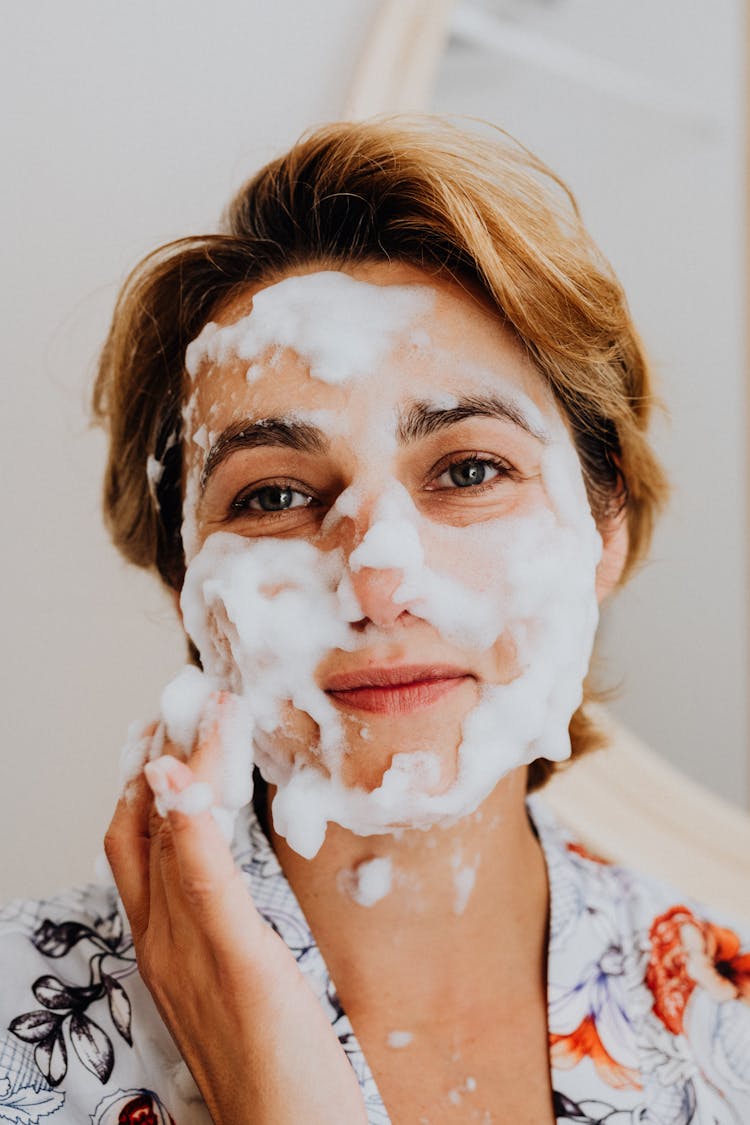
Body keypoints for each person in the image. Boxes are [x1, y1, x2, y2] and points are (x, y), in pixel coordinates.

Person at [0, 117, 747, 1125]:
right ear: (191, 579)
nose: (381, 582)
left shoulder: (727, 1032)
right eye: (272, 496)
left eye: (470, 470)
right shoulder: (22, 1031)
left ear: (603, 527)